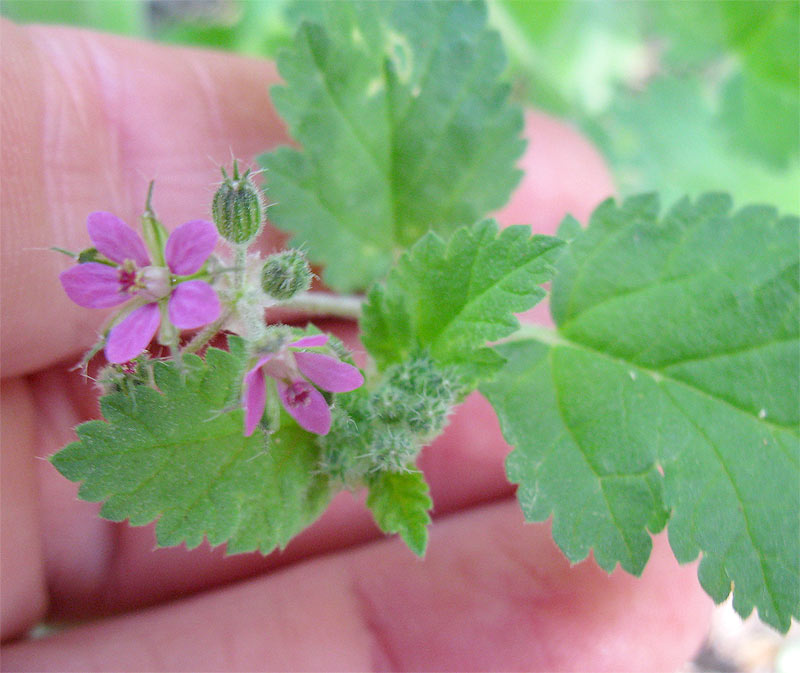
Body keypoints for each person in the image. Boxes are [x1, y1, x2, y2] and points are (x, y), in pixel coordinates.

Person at [0, 19, 713, 671]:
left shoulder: (230, 304)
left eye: (147, 269)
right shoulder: (202, 295)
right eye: (137, 275)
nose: (142, 273)